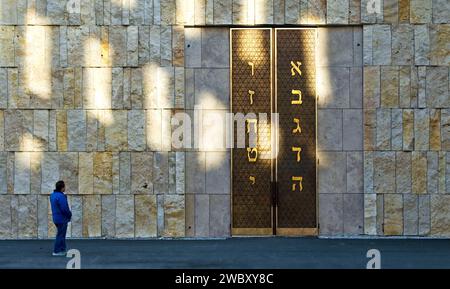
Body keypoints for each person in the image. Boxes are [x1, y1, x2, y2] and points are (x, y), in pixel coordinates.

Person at [50, 181, 72, 256]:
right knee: (60, 235)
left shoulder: (52, 195)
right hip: (62, 218)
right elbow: (64, 208)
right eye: (64, 187)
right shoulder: (61, 196)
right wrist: (69, 214)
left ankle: (62, 249)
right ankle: (57, 251)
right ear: (62, 188)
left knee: (61, 234)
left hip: (56, 218)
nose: (65, 188)